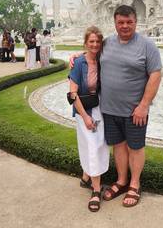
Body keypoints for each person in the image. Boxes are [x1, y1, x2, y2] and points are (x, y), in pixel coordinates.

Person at [71, 5, 162, 207]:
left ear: (135, 22)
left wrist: (144, 105)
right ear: (115, 23)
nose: (125, 26)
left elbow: (155, 75)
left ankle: (135, 184)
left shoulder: (148, 46)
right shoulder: (107, 43)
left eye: (129, 22)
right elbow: (91, 52)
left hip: (135, 111)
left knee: (135, 147)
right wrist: (77, 56)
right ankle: (121, 181)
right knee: (118, 146)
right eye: (120, 22)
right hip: (109, 110)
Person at [68, 26, 109, 212]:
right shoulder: (78, 64)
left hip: (99, 108)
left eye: (97, 42)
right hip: (84, 109)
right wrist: (84, 116)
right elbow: (72, 94)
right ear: (86, 43)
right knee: (92, 146)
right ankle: (96, 190)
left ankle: (86, 177)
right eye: (91, 41)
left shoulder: (102, 60)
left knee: (99, 144)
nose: (94, 44)